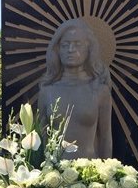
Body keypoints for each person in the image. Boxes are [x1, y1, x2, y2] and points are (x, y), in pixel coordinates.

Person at [37, 18, 113, 159]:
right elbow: (40, 141)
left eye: (77, 44)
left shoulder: (100, 91)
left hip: (91, 174)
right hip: (53, 175)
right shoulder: (47, 92)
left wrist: (109, 175)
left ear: (88, 48)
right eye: (65, 45)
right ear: (58, 50)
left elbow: (105, 138)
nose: (71, 50)